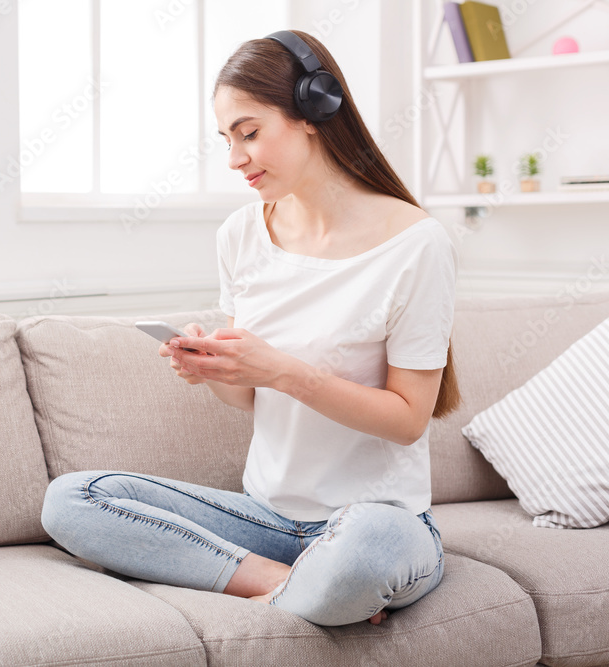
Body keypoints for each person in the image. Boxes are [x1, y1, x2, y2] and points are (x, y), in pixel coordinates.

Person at [41, 29, 460, 627]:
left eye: (250, 133)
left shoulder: (416, 243)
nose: (236, 158)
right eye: (227, 139)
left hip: (379, 520)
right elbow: (246, 397)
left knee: (366, 547)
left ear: (316, 111)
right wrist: (213, 369)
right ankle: (286, 584)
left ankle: (318, 580)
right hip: (266, 523)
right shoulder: (241, 234)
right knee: (73, 500)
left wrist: (286, 373)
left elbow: (408, 418)